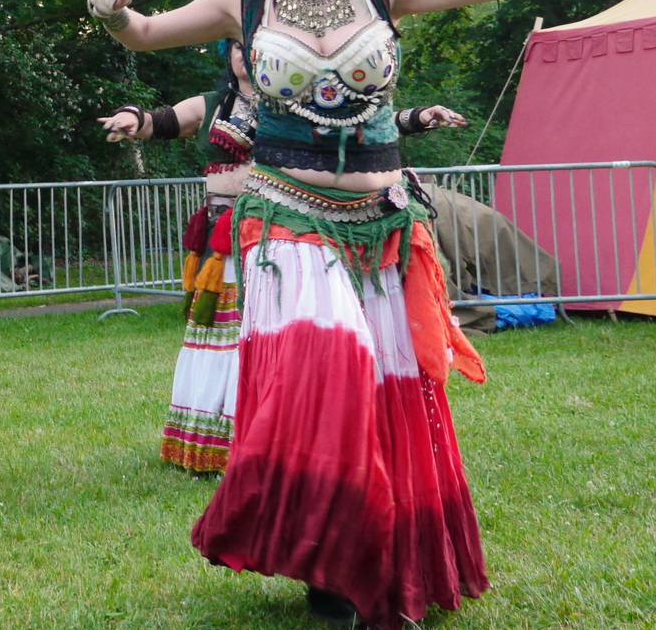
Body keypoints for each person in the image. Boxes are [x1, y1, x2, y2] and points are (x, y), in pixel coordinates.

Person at [88, 0, 655, 630]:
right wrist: (109, 6)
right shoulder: (243, 0)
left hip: (382, 222)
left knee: (394, 392)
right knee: (333, 376)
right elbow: (144, 33)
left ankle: (365, 558)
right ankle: (330, 554)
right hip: (287, 217)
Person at [101, 46, 465, 475]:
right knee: (227, 337)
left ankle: (287, 441)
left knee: (281, 333)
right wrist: (131, 118)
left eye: (255, 47)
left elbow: (364, 125)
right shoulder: (212, 104)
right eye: (238, 47)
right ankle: (215, 444)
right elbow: (161, 122)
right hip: (226, 236)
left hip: (286, 232)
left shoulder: (302, 102)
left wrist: (419, 117)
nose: (246, 56)